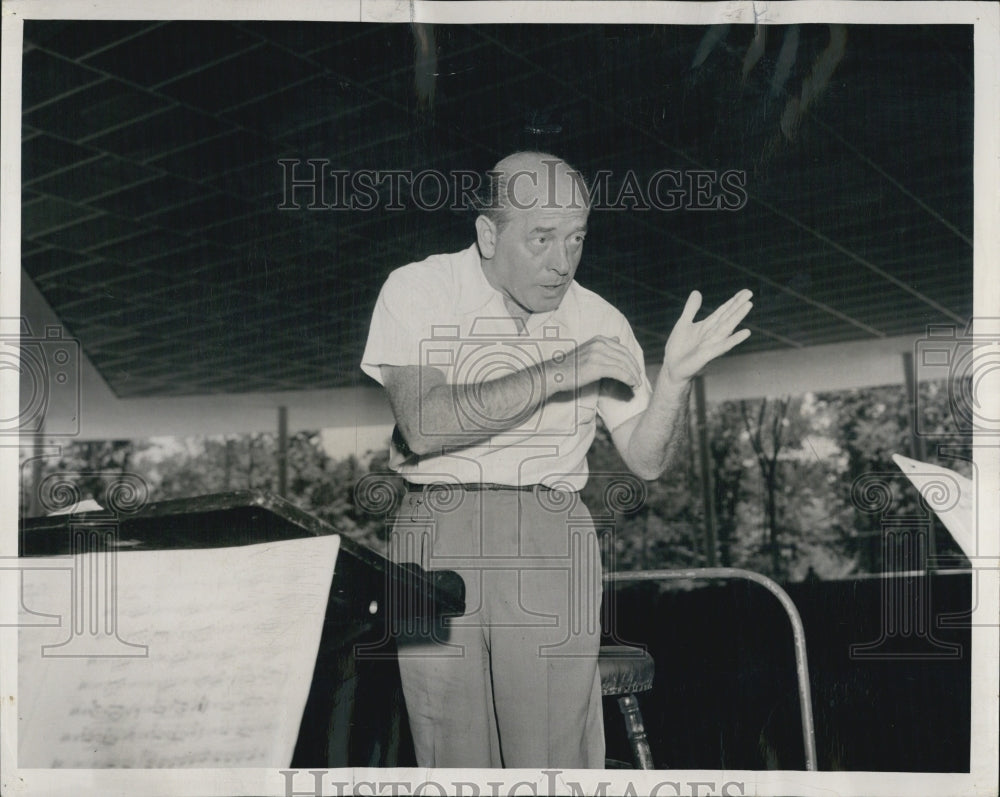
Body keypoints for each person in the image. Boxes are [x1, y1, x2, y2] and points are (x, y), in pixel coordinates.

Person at [361, 151, 752, 768]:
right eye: (541, 238)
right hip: (432, 529)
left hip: (551, 532)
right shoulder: (419, 288)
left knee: (552, 754)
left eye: (576, 239)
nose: (562, 262)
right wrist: (561, 371)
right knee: (445, 746)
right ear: (488, 235)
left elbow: (646, 461)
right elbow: (426, 424)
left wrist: (673, 381)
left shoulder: (600, 319)